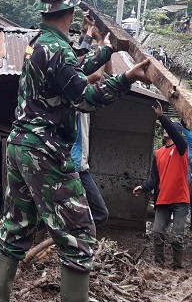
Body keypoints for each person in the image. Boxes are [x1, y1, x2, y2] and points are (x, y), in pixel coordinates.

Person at [0, 0, 152, 302]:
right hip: (45, 152)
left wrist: (106, 52)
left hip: (20, 147)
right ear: (71, 9)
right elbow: (84, 98)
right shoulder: (57, 50)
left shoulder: (40, 44)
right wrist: (126, 79)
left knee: (16, 227)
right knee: (80, 236)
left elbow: (71, 68)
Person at [133, 104, 189, 269]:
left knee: (177, 237)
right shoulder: (158, 154)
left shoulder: (182, 148)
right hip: (163, 199)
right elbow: (153, 179)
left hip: (180, 200)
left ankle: (177, 267)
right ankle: (159, 265)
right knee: (157, 233)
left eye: (169, 129)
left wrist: (162, 118)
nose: (166, 131)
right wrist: (142, 187)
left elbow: (174, 133)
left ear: (175, 132)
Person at [71, 13, 111, 229]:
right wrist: (102, 44)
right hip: (75, 165)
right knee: (99, 213)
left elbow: (82, 58)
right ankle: (72, 241)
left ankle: (64, 240)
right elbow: (94, 75)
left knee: (91, 213)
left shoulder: (71, 75)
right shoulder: (75, 86)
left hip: (79, 164)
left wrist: (89, 33)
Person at [180, 120, 192, 230]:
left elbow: (181, 125)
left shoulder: (190, 134)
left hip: (190, 162)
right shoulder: (191, 135)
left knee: (188, 187)